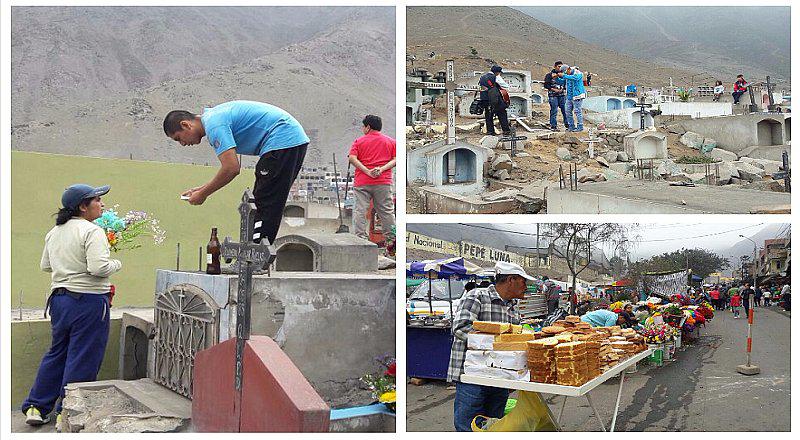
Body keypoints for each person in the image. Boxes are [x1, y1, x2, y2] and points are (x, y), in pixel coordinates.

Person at [22, 184, 122, 430]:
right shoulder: (92, 231)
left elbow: (46, 265)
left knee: (58, 352)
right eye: (97, 200)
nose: (102, 204)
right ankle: (68, 412)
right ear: (82, 206)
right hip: (88, 301)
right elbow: (98, 268)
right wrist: (116, 263)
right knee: (84, 356)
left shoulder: (54, 231)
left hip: (59, 301)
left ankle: (37, 406)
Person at [163, 100, 309, 245]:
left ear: (185, 125)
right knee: (265, 201)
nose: (182, 144)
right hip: (289, 139)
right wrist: (201, 189)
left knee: (264, 203)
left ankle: (255, 258)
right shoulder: (213, 118)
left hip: (282, 139)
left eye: (178, 138)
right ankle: (256, 255)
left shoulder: (214, 125)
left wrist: (203, 194)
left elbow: (231, 168)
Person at [448, 261, 530, 431]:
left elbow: (513, 339)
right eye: (523, 281)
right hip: (472, 375)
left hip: (500, 376)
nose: (526, 286)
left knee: (494, 423)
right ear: (511, 280)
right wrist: (496, 344)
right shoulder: (476, 296)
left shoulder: (513, 307)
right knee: (468, 425)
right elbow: (460, 328)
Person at [348, 114, 396, 245]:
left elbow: (352, 158)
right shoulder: (391, 142)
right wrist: (381, 169)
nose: (363, 129)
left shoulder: (359, 141)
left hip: (362, 182)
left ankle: (360, 239)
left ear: (368, 127)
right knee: (386, 211)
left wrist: (367, 171)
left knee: (360, 210)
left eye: (363, 126)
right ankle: (392, 241)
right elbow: (396, 159)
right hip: (383, 182)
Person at [478, 66, 511, 136]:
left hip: (485, 99)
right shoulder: (496, 77)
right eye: (499, 73)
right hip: (495, 100)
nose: (499, 74)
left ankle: (490, 132)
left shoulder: (482, 77)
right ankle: (506, 131)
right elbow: (506, 86)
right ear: (497, 72)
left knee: (488, 116)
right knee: (502, 114)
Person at [543, 61, 568, 131]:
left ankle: (567, 124)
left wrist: (563, 89)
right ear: (555, 67)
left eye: (561, 67)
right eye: (559, 66)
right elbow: (546, 85)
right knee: (554, 110)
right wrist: (553, 89)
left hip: (562, 95)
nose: (560, 68)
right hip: (553, 96)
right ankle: (553, 126)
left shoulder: (564, 75)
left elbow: (566, 84)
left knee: (565, 110)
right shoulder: (549, 75)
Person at [561, 65, 586, 132]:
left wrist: (564, 75)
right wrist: (556, 77)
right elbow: (562, 81)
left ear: (569, 69)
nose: (566, 74)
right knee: (567, 111)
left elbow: (576, 78)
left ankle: (580, 126)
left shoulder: (577, 72)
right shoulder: (567, 75)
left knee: (577, 111)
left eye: (566, 72)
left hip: (577, 95)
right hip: (569, 96)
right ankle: (571, 126)